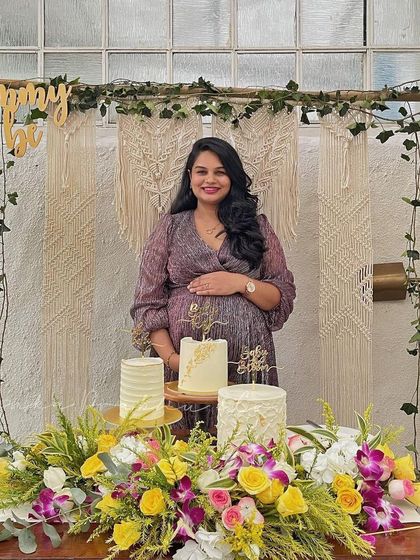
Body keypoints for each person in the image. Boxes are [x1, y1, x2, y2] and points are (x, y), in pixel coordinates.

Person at [131, 137, 296, 429]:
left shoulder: (256, 228)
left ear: (232, 178)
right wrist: (173, 360)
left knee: (245, 440)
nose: (210, 179)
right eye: (202, 171)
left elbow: (279, 297)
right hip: (185, 366)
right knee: (183, 446)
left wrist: (239, 282)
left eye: (220, 172)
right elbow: (148, 303)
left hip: (246, 359)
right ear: (190, 177)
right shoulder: (170, 227)